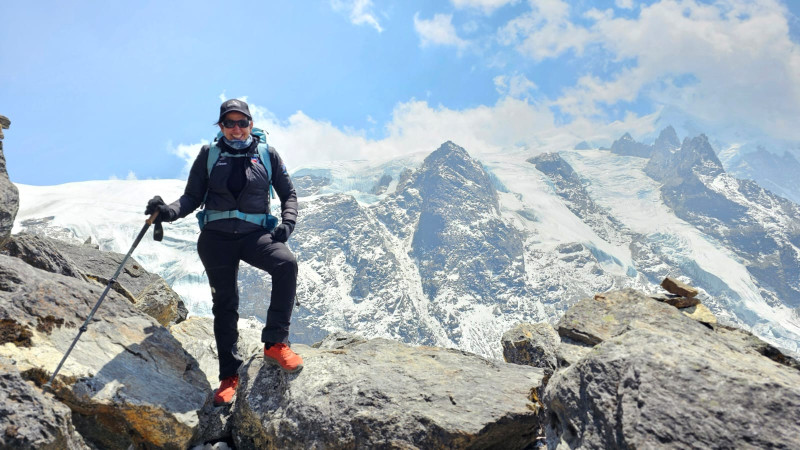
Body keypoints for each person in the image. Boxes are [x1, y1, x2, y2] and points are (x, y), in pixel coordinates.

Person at [145, 99, 301, 406]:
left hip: (256, 235)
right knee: (225, 304)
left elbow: (288, 193)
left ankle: (275, 343)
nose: (236, 128)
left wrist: (288, 223)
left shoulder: (267, 155)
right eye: (229, 123)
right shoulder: (208, 155)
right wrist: (165, 212)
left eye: (242, 122)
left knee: (286, 264)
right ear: (221, 127)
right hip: (216, 239)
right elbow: (190, 198)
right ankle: (229, 377)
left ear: (251, 124)